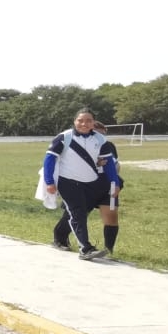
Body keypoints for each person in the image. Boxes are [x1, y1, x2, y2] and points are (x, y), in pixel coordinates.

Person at [43, 109, 122, 260]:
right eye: (80, 120)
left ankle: (80, 244)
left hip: (90, 182)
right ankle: (85, 248)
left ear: (93, 123)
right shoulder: (64, 137)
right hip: (68, 181)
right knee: (77, 213)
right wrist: (49, 182)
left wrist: (115, 182)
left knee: (79, 213)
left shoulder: (100, 140)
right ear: (74, 121)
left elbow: (109, 164)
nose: (84, 124)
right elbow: (49, 160)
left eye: (88, 121)